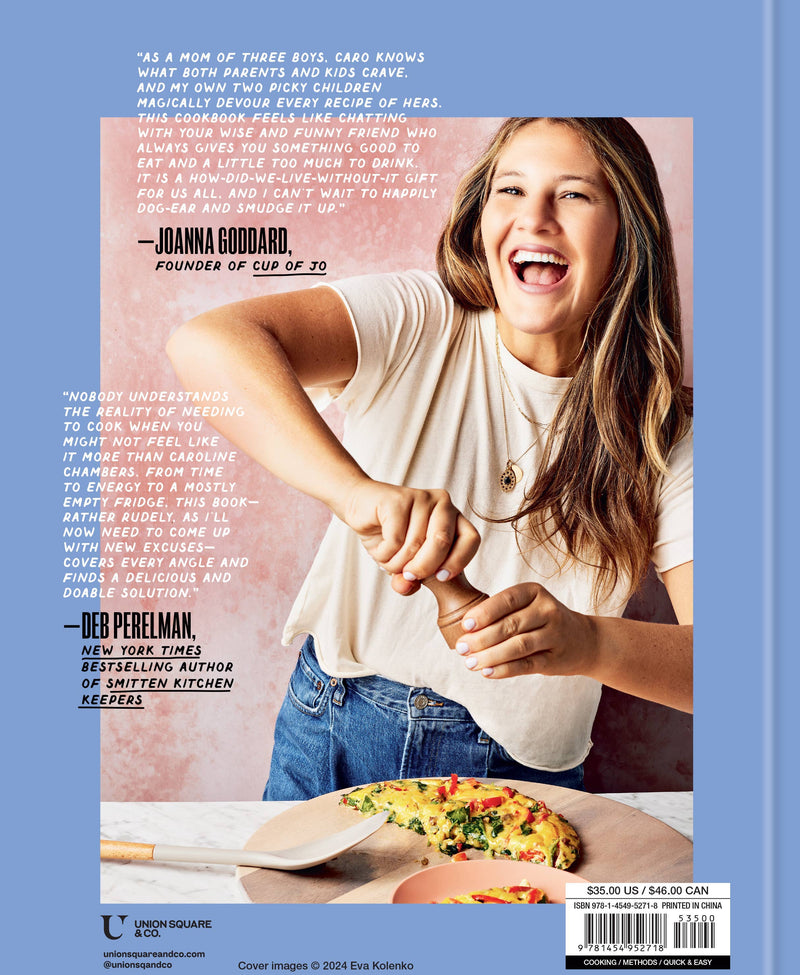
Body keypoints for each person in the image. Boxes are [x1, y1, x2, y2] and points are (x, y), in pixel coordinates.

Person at [167, 117, 693, 800]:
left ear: (629, 235)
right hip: (328, 731)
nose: (534, 217)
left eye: (573, 195)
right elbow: (207, 343)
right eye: (511, 189)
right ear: (481, 218)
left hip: (518, 780)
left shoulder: (663, 428)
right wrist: (355, 492)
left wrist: (585, 642)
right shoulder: (423, 318)